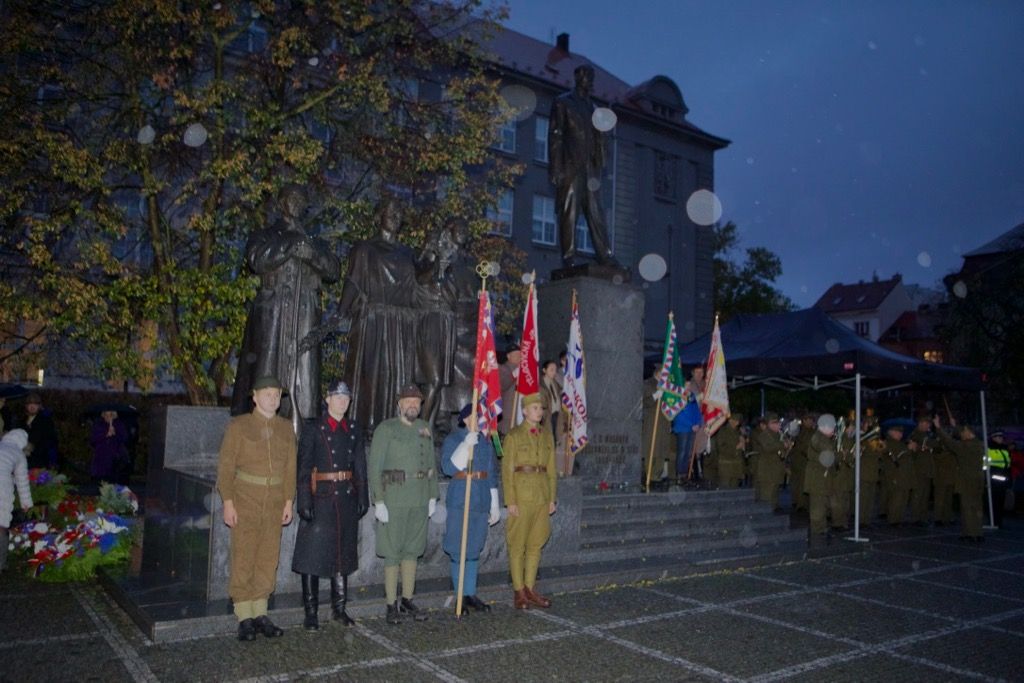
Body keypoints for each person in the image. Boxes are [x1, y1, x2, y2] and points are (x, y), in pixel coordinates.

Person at [231, 186, 341, 423]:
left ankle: (302, 424)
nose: (297, 203)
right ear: (281, 203)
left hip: (305, 316)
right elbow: (256, 259)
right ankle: (263, 417)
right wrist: (289, 246)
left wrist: (312, 255)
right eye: (292, 198)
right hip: (274, 313)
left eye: (302, 200)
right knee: (268, 370)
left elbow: (333, 270)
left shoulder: (314, 242)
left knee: (304, 377)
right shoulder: (266, 234)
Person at [216, 375, 296, 642]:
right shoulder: (239, 426)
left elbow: (290, 469)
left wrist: (288, 501)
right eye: (268, 394)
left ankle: (261, 613)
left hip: (274, 501)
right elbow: (226, 467)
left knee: (267, 558)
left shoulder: (286, 429)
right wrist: (228, 501)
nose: (273, 399)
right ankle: (244, 615)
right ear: (255, 396)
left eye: (276, 395)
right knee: (244, 555)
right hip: (245, 499)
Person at [336, 198, 420, 433]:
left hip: (400, 322)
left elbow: (417, 289)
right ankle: (366, 425)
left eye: (399, 213)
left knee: (396, 375)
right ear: (379, 215)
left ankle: (396, 426)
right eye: (391, 211)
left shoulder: (407, 253)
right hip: (373, 319)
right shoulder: (365, 249)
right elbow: (353, 281)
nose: (395, 217)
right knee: (371, 375)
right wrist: (340, 312)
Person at [291, 380, 368, 631]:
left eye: (346, 398)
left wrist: (362, 496)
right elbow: (303, 467)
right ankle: (310, 613)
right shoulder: (314, 428)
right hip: (321, 499)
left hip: (345, 499)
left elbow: (359, 466)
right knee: (311, 557)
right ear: (327, 399)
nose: (342, 402)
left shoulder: (353, 428)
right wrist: (303, 500)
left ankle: (339, 609)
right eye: (337, 397)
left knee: (341, 556)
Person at [368, 385, 439, 624]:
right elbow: (375, 467)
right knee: (392, 551)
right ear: (399, 404)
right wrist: (378, 501)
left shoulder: (424, 428)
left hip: (419, 498)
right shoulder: (386, 429)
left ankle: (407, 599)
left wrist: (432, 496)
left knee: (412, 550)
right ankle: (391, 604)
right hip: (394, 498)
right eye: (408, 401)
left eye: (416, 402)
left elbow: (431, 465)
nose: (412, 405)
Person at [548, 64, 618, 267]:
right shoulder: (563, 103)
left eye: (592, 78)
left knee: (596, 212)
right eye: (588, 78)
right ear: (579, 78)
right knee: (569, 212)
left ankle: (605, 254)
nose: (591, 82)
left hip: (591, 169)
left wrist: (601, 150)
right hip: (570, 166)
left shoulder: (593, 108)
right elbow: (556, 136)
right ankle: (568, 256)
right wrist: (555, 168)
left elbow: (599, 138)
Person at [441, 404, 500, 614]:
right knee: (459, 547)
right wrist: (465, 445)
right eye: (477, 416)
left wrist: (494, 504)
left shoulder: (486, 442)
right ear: (465, 419)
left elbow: (491, 473)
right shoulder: (453, 440)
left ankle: (470, 593)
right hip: (460, 498)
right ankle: (460, 596)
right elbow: (448, 468)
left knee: (474, 547)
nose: (481, 419)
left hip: (480, 498)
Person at [502, 393, 557, 609]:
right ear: (524, 411)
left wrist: (552, 498)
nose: (539, 411)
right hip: (522, 496)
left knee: (536, 544)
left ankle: (530, 588)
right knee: (517, 545)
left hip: (542, 496)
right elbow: (507, 471)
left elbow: (551, 470)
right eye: (535, 408)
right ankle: (519, 591)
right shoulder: (514, 436)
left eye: (541, 408)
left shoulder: (546, 436)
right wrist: (510, 501)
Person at [933, 415, 985, 541]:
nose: (962, 433)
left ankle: (970, 534)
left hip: (967, 480)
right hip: (978, 480)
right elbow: (960, 438)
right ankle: (977, 533)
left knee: (967, 507)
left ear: (969, 432)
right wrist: (954, 426)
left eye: (964, 431)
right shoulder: (978, 444)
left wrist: (938, 428)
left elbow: (950, 443)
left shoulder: (966, 446)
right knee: (977, 507)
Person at [0, 429, 33, 572]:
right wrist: (26, 503)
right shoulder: (19, 454)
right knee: (1, 524)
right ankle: (1, 562)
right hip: (2, 486)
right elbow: (22, 481)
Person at [804, 414, 837, 537]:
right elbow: (828, 452)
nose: (834, 430)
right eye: (832, 428)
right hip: (816, 478)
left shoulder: (823, 438)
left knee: (822, 504)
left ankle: (821, 527)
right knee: (817, 505)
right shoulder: (817, 437)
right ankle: (817, 530)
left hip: (822, 477)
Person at [671, 366, 704, 485]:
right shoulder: (678, 396)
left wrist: (698, 423)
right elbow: (680, 414)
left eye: (689, 385)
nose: (689, 387)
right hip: (683, 427)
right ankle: (679, 475)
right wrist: (691, 425)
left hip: (692, 428)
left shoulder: (691, 396)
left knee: (688, 452)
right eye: (687, 385)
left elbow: (696, 411)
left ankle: (685, 474)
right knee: (682, 452)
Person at [753, 413, 788, 510]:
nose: (778, 425)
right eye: (774, 423)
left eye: (777, 423)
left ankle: (774, 509)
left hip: (776, 469)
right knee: (767, 496)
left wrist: (786, 447)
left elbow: (782, 452)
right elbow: (768, 447)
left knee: (774, 493)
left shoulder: (777, 435)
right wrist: (782, 445)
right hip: (767, 471)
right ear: (768, 424)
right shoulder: (764, 435)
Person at [908, 415, 937, 526]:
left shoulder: (927, 435)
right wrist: (923, 447)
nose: (927, 426)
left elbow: (933, 445)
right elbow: (914, 447)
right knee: (918, 494)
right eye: (925, 423)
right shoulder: (915, 435)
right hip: (918, 468)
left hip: (927, 469)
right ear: (920, 423)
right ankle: (916, 517)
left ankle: (923, 517)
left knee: (925, 494)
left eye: (928, 424)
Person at [88, 410, 129, 484]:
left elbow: (124, 439)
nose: (108, 417)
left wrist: (115, 434)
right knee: (102, 482)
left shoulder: (119, 425)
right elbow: (93, 440)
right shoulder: (99, 425)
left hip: (116, 458)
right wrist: (106, 435)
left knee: (116, 480)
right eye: (106, 415)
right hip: (101, 457)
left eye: (110, 415)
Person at [883, 424, 913, 526]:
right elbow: (896, 457)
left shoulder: (900, 443)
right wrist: (908, 449)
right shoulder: (890, 443)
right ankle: (893, 519)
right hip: (896, 474)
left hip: (904, 475)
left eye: (901, 432)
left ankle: (898, 519)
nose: (901, 434)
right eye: (898, 432)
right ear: (891, 432)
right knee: (896, 499)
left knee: (903, 498)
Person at [23, 393, 58, 470]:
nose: (32, 406)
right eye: (29, 403)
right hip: (23, 460)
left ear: (39, 406)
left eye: (35, 404)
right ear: (26, 406)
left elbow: (50, 440)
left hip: (40, 461)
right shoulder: (22, 420)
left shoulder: (46, 421)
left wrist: (33, 446)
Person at [789, 414, 815, 512]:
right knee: (800, 483)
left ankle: (800, 503)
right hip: (801, 460)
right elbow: (801, 446)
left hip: (802, 460)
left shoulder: (810, 431)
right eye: (809, 420)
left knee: (801, 483)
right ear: (804, 420)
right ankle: (800, 504)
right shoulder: (801, 431)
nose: (811, 422)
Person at [987, 430, 1012, 528]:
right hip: (993, 480)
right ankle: (994, 521)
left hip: (1003, 480)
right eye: (998, 437)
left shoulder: (1004, 449)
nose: (1001, 439)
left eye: (1001, 437)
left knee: (1001, 502)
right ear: (993, 438)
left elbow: (1008, 465)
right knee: (994, 502)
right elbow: (985, 466)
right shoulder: (989, 449)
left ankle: (999, 521)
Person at [713, 414, 745, 489]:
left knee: (735, 489)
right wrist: (736, 448)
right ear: (730, 420)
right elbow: (721, 448)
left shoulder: (738, 432)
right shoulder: (723, 431)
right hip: (726, 466)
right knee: (725, 489)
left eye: (738, 421)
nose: (737, 423)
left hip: (737, 466)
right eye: (735, 421)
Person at [498, 344, 521, 436]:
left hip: (520, 409)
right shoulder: (503, 368)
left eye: (520, 355)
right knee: (507, 435)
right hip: (509, 410)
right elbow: (502, 385)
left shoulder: (523, 369)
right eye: (515, 355)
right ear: (508, 356)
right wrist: (513, 376)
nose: (519, 357)